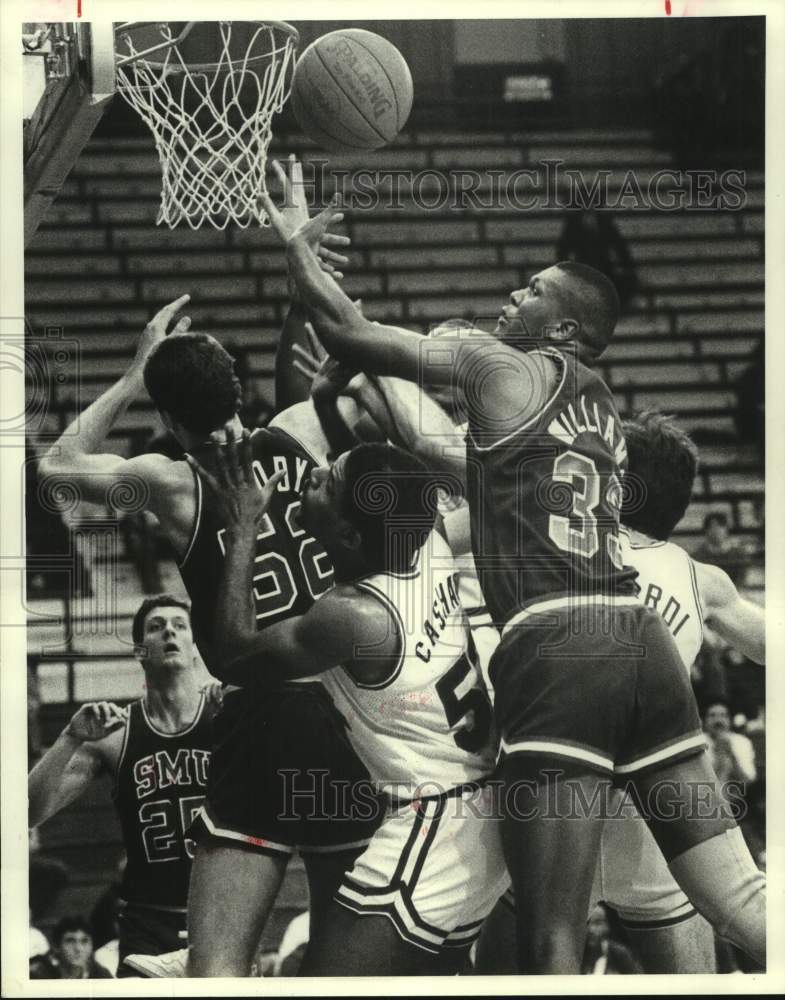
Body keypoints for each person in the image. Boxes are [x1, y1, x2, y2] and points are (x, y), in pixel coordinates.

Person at [260, 159, 765, 972]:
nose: (511, 298)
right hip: (641, 646)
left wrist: (293, 242)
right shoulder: (598, 405)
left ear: (562, 328)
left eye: (530, 290)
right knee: (741, 900)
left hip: (557, 652)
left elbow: (348, 332)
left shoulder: (500, 366)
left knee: (550, 931)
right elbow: (451, 458)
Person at [37, 184, 382, 976]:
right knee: (340, 968)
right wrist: (298, 253)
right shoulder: (297, 433)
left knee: (214, 972)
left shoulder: (171, 482)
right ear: (238, 392)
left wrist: (132, 372)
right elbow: (343, 350)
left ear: (173, 421)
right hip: (346, 715)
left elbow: (56, 468)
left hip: (258, 718)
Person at [187, 430, 509, 975]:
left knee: (326, 984)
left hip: (439, 820)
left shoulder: (355, 616)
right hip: (483, 806)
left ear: (348, 535)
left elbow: (234, 655)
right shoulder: (426, 541)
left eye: (327, 481)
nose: (313, 474)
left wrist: (242, 528)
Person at [28, 596, 215, 976]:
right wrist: (68, 737)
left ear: (196, 647)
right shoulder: (114, 733)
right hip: (147, 923)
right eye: (156, 626)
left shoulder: (225, 715)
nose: (169, 631)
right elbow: (28, 812)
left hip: (223, 916)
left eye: (180, 625)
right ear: (139, 651)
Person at [29, 917, 114, 979]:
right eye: (70, 941)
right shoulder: (39, 974)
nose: (78, 949)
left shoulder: (100, 975)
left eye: (84, 941)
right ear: (56, 946)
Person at [703, 699, 758, 787]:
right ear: (704, 720)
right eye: (712, 715)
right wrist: (718, 753)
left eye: (723, 715)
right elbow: (698, 781)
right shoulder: (697, 744)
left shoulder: (742, 742)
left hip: (737, 797)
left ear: (730, 720)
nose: (718, 720)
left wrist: (731, 754)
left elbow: (748, 780)